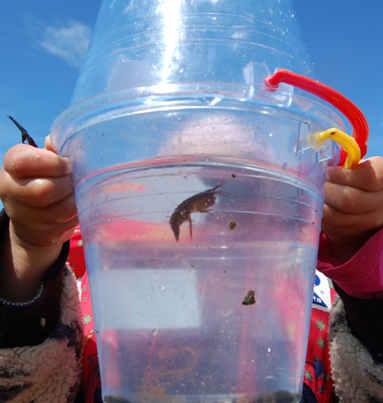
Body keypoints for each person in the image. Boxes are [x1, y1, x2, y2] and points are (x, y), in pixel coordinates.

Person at [1, 132, 383, 403]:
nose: (220, 217)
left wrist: (366, 261)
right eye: (178, 179)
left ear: (291, 200)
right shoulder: (110, 292)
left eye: (244, 188)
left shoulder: (314, 302)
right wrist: (29, 247)